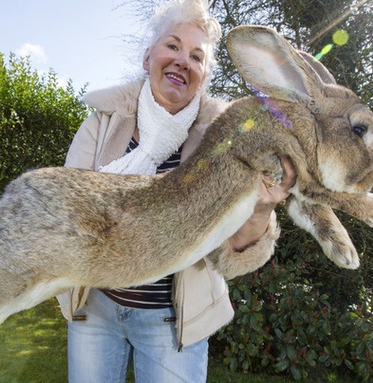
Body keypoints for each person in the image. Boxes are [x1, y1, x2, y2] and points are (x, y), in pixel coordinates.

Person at [56, 0, 297, 381]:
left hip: (173, 323)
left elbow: (232, 252)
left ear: (203, 77)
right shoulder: (101, 124)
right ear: (148, 56)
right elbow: (65, 211)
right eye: (172, 46)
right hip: (97, 310)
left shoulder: (227, 141)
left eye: (196, 57)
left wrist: (260, 210)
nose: (183, 60)